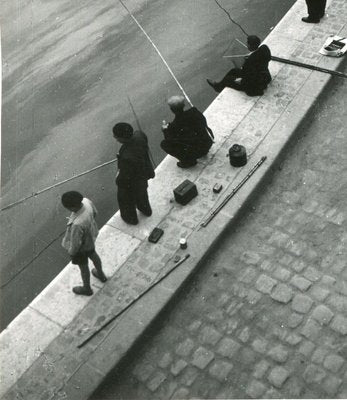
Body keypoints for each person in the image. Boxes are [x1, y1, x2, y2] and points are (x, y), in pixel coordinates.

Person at [61, 191, 107, 296]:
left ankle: (87, 288)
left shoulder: (77, 224)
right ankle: (101, 274)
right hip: (90, 238)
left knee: (83, 267)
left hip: (82, 248)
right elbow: (95, 213)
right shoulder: (86, 201)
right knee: (94, 255)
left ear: (72, 208)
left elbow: (76, 243)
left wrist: (71, 252)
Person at [113, 122, 154, 225]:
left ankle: (131, 219)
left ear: (122, 138)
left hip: (133, 180)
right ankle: (146, 210)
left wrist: (118, 178)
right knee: (142, 195)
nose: (115, 137)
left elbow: (124, 178)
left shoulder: (127, 157)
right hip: (143, 174)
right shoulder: (139, 135)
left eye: (116, 136)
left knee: (124, 198)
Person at [207, 35, 272, 96]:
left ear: (250, 46)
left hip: (254, 86)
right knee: (234, 71)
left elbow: (248, 76)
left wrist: (240, 80)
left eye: (247, 44)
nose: (247, 45)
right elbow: (258, 59)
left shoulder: (249, 62)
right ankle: (218, 86)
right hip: (265, 77)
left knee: (228, 79)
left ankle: (217, 87)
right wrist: (251, 56)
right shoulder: (265, 48)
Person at [160, 95, 214, 168]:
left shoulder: (174, 126)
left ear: (172, 110)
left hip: (197, 151)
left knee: (164, 144)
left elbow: (170, 140)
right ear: (184, 105)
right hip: (207, 143)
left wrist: (165, 130)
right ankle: (202, 152)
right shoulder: (194, 111)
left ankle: (188, 161)